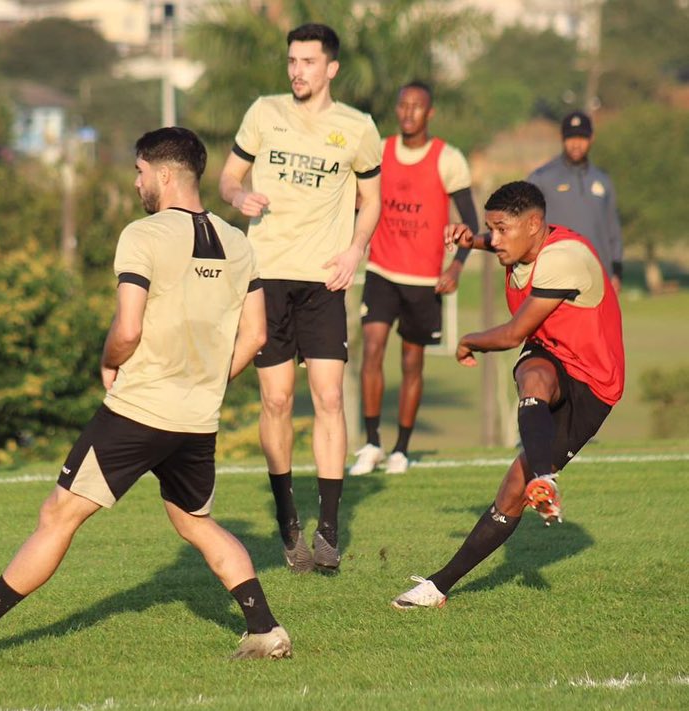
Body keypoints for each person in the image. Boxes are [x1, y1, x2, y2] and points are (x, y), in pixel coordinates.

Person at [0, 127, 290, 660]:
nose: (136, 184)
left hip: (139, 409)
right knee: (195, 521)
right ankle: (265, 628)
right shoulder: (238, 242)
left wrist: (108, 361)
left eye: (139, 172)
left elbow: (127, 330)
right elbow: (255, 336)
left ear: (162, 174)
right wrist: (204, 382)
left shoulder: (143, 235)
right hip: (197, 416)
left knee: (58, 512)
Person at [392, 180, 624, 609]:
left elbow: (514, 332)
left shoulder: (565, 259)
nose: (494, 239)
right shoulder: (523, 243)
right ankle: (438, 587)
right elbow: (505, 251)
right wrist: (473, 239)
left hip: (594, 384)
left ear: (534, 225)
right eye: (489, 229)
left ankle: (537, 478)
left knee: (511, 494)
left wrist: (469, 341)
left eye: (501, 229)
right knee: (532, 374)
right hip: (551, 353)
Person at [218, 23, 382, 573]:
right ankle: (288, 521)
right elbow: (228, 178)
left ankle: (329, 530)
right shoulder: (264, 113)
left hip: (324, 280)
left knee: (330, 399)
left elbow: (372, 200)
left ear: (330, 68)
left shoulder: (357, 128)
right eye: (292, 60)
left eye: (308, 61)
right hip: (267, 276)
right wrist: (239, 194)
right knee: (277, 402)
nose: (297, 70)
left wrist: (355, 249)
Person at [350, 81, 480, 476]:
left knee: (412, 362)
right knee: (371, 350)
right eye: (402, 105)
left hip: (424, 280)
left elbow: (471, 222)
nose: (408, 112)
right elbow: (359, 201)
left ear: (430, 113)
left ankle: (401, 449)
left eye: (416, 106)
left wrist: (456, 267)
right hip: (381, 271)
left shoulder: (448, 160)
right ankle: (371, 443)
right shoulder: (380, 152)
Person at [527, 110, 623, 292]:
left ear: (591, 138)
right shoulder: (541, 178)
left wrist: (616, 271)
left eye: (582, 137)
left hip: (598, 274)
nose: (576, 144)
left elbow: (613, 229)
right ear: (562, 138)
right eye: (571, 137)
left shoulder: (602, 179)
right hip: (555, 276)